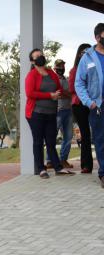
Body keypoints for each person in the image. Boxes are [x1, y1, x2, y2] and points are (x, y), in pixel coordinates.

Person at [25, 49, 74, 178]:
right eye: (37, 56)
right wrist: (49, 95)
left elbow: (58, 88)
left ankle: (58, 167)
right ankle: (41, 169)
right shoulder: (32, 75)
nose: (40, 57)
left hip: (52, 113)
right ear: (32, 61)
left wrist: (65, 94)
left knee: (51, 141)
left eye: (41, 55)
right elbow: (30, 93)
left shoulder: (51, 73)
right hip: (36, 113)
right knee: (38, 141)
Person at [75, 23, 104, 188]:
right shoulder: (88, 57)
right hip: (98, 106)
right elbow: (79, 83)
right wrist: (89, 102)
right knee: (101, 140)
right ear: (97, 37)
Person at [69, 43, 93, 174]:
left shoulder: (94, 68)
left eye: (88, 51)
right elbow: (73, 88)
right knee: (85, 135)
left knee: (98, 134)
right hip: (79, 105)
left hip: (93, 104)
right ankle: (86, 165)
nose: (86, 54)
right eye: (83, 52)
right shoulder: (74, 70)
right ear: (79, 54)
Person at [46, 59, 74, 169]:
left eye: (63, 65)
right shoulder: (52, 79)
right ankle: (49, 160)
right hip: (57, 111)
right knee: (52, 135)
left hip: (68, 110)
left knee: (68, 136)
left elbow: (68, 93)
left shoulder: (66, 79)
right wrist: (65, 93)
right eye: (59, 66)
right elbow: (57, 94)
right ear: (55, 67)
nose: (61, 67)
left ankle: (63, 159)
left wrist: (64, 93)